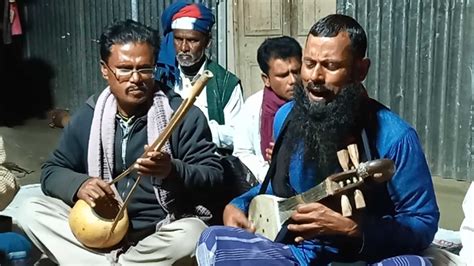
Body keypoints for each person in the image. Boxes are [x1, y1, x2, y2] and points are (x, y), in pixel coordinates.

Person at [196, 14, 439, 265]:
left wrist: (353, 229)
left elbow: (422, 223)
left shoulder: (396, 137)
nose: (314, 77)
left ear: (360, 70)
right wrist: (239, 204)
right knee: (213, 241)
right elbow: (279, 190)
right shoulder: (287, 117)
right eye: (309, 63)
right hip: (299, 254)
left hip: (364, 258)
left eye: (331, 66)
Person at [18, 20, 223, 265]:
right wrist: (79, 184)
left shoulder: (181, 115)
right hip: (97, 229)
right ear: (105, 69)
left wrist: (172, 170)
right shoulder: (90, 115)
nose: (136, 79)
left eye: (145, 68)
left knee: (194, 234)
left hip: (156, 232)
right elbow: (51, 171)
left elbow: (213, 175)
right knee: (31, 210)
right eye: (124, 69)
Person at [156, 2, 244, 155]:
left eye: (192, 40)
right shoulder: (161, 77)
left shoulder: (226, 84)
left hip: (211, 166)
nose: (184, 48)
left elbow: (239, 135)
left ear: (207, 42)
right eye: (178, 39)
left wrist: (197, 129)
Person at [233, 36, 302, 183]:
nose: (293, 81)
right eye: (282, 75)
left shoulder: (314, 103)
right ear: (266, 79)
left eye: (296, 72)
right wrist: (268, 172)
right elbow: (242, 152)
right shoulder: (252, 107)